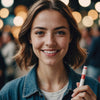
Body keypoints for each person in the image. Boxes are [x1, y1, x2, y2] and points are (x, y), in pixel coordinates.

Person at [0, 0, 100, 100]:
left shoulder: (94, 89)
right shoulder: (10, 93)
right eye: (40, 32)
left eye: (60, 32)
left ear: (71, 36)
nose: (50, 42)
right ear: (29, 37)